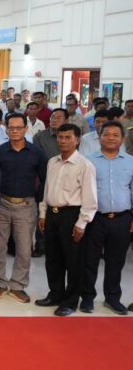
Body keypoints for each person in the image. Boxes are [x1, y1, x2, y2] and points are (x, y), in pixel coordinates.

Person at [36, 123, 98, 317]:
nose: (63, 141)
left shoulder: (85, 165)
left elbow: (90, 199)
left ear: (77, 140)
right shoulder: (52, 162)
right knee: (53, 259)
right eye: (60, 137)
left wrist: (82, 223)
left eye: (68, 137)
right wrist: (43, 213)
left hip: (72, 215)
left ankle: (70, 301)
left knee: (73, 261)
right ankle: (55, 294)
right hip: (52, 214)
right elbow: (46, 189)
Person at [0, 113, 48, 303]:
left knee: (24, 249)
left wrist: (39, 206)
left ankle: (18, 285)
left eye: (18, 127)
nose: (15, 131)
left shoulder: (36, 153)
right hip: (2, 204)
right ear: (6, 129)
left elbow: (44, 181)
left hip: (26, 206)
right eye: (11, 128)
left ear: (25, 129)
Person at [82, 121, 133, 315]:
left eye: (115, 135)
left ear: (123, 138)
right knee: (89, 260)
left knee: (116, 261)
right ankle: (87, 297)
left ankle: (112, 298)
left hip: (122, 218)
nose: (111, 138)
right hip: (95, 218)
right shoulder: (88, 161)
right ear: (100, 137)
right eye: (107, 134)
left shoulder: (130, 162)